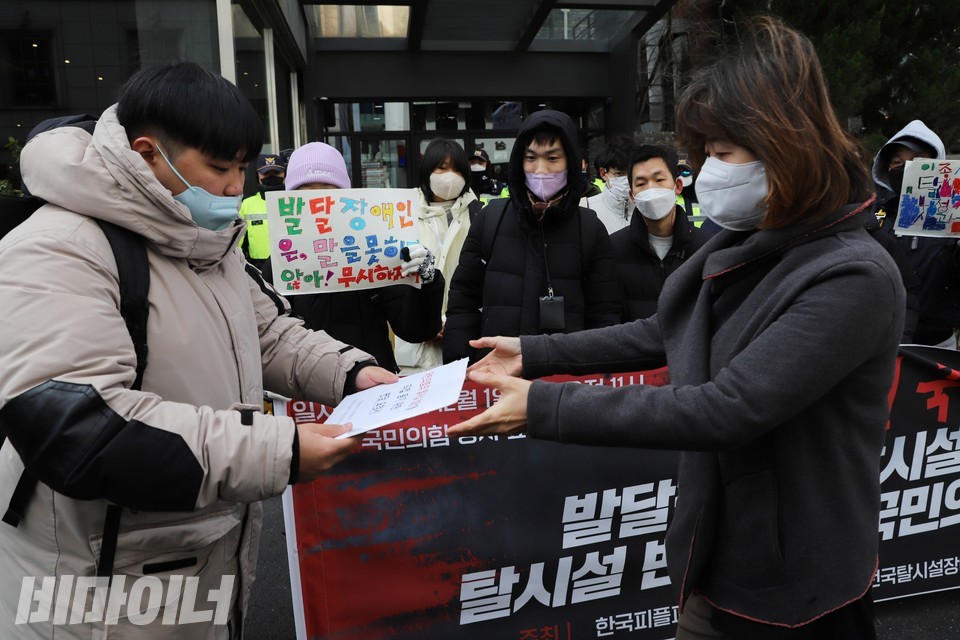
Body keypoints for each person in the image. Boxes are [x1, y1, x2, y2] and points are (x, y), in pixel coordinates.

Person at [449, 17, 904, 640]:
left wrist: (545, 406)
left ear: (786, 146)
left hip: (801, 585)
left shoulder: (852, 275)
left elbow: (727, 408)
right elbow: (662, 330)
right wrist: (534, 352)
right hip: (719, 548)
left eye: (723, 152)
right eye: (704, 152)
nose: (707, 171)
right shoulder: (748, 238)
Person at [0, 63, 399, 639]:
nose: (237, 187)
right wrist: (278, 450)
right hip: (98, 583)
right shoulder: (58, 248)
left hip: (197, 555)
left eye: (242, 167)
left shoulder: (205, 238)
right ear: (149, 154)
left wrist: (352, 373)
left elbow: (268, 333)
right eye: (219, 167)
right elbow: (78, 426)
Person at [443, 109, 622, 365]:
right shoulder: (490, 219)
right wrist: (461, 369)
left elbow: (604, 314)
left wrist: (593, 371)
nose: (541, 169)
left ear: (570, 162)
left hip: (564, 376)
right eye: (531, 158)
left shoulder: (590, 228)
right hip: (494, 372)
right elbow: (463, 303)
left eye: (552, 158)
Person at [278, 141, 445, 374]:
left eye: (328, 189)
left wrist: (426, 283)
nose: (318, 201)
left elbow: (416, 330)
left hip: (373, 383)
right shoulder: (281, 264)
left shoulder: (373, 252)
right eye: (307, 190)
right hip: (306, 388)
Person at [393, 138, 481, 374]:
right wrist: (427, 322)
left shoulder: (479, 215)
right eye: (442, 168)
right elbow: (393, 278)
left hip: (465, 341)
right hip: (415, 350)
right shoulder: (402, 215)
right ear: (427, 170)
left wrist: (457, 322)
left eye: (457, 169)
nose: (450, 176)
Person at [872, 120, 958, 347]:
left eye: (919, 161)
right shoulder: (872, 211)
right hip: (882, 342)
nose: (907, 168)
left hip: (939, 341)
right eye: (897, 162)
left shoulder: (953, 212)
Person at [610, 144, 711, 323]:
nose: (651, 189)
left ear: (677, 186)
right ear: (632, 196)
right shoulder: (613, 248)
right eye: (641, 183)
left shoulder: (706, 247)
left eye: (659, 180)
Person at [579, 135, 640, 234]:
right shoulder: (586, 209)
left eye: (632, 174)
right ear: (603, 173)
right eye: (620, 174)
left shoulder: (647, 209)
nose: (627, 180)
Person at [238, 152, 286, 269]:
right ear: (258, 176)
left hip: (290, 262)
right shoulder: (247, 204)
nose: (271, 177)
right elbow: (237, 242)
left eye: (276, 173)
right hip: (258, 267)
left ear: (285, 174)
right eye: (266, 173)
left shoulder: (295, 201)